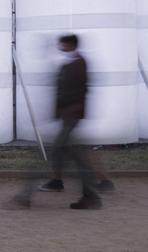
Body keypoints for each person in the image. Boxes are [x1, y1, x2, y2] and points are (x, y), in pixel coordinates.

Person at [37, 33, 103, 210]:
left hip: (72, 115)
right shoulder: (74, 63)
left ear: (70, 45)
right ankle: (86, 192)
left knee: (69, 153)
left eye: (63, 44)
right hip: (70, 115)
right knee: (68, 153)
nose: (60, 47)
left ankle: (89, 194)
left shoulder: (77, 64)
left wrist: (66, 110)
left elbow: (77, 90)